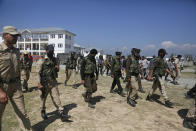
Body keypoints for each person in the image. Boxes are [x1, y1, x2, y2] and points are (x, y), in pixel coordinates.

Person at [0, 26, 32, 130]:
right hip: (2, 87)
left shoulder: (16, 51)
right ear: (5, 35)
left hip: (16, 87)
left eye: (17, 35)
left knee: (23, 114)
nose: (16, 38)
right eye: (13, 35)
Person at [37, 45, 70, 121]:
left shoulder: (55, 59)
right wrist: (39, 83)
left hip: (53, 82)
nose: (51, 52)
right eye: (50, 51)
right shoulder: (41, 60)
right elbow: (38, 73)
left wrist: (57, 68)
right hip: (44, 83)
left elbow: (57, 69)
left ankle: (61, 112)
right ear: (46, 51)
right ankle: (43, 110)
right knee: (43, 99)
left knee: (56, 97)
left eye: (52, 51)